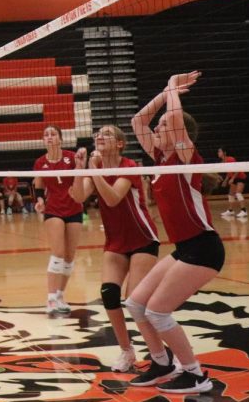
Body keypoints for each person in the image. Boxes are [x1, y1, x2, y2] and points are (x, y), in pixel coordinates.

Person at [125, 71, 223, 394]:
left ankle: (196, 375)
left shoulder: (185, 158)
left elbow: (177, 119)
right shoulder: (159, 157)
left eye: (163, 126)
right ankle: (162, 363)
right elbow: (138, 121)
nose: (157, 128)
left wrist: (171, 90)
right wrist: (164, 93)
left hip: (204, 248)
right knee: (136, 304)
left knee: (157, 310)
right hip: (184, 248)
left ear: (180, 134)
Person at [69, 125, 160, 372]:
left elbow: (111, 198)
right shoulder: (95, 170)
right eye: (97, 134)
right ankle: (126, 351)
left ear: (120, 144)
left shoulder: (129, 167)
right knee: (109, 293)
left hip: (142, 238)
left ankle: (159, 355)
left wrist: (94, 170)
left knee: (135, 301)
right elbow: (78, 197)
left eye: (107, 134)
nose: (99, 136)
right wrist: (80, 170)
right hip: (116, 241)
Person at [34, 124, 83, 317]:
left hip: (74, 208)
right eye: (46, 135)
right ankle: (51, 298)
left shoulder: (71, 157)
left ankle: (61, 295)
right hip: (53, 209)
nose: (49, 137)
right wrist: (39, 201)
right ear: (43, 140)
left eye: (53, 134)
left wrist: (81, 162)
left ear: (60, 139)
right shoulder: (39, 162)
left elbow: (80, 180)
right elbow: (38, 187)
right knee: (58, 252)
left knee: (70, 256)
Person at [217, 147, 246, 221]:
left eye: (220, 151)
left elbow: (237, 169)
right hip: (233, 178)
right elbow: (228, 173)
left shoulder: (230, 159)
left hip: (240, 177)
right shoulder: (223, 162)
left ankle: (244, 211)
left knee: (238, 193)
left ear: (224, 153)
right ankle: (230, 211)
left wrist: (232, 178)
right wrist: (226, 180)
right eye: (218, 152)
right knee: (231, 194)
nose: (218, 153)